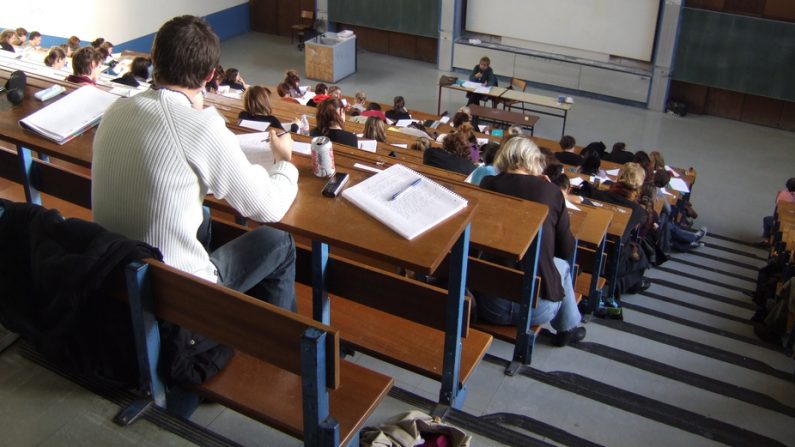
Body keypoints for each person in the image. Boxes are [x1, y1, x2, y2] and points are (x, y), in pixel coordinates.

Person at [92, 15, 299, 311]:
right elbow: (267, 208)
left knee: (202, 211)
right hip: (176, 293)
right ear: (209, 76)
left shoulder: (116, 109)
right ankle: (274, 340)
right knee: (280, 241)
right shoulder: (200, 127)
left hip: (113, 271)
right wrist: (284, 161)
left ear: (154, 59)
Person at [476, 137, 585, 346]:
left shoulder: (488, 183)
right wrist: (548, 189)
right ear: (532, 160)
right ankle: (567, 329)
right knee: (561, 266)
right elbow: (565, 250)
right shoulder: (550, 191)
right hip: (536, 308)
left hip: (489, 304)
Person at [761, 177, 795, 244]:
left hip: (780, 224)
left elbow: (777, 204)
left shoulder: (782, 194)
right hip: (793, 226)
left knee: (766, 219)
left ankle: (766, 240)